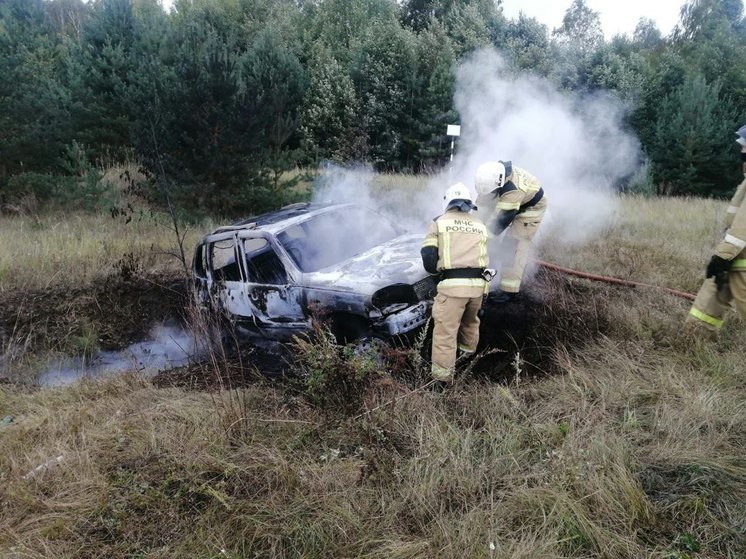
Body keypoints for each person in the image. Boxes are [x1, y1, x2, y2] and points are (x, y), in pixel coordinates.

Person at [421, 182, 492, 386]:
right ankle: (465, 361)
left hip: (453, 289)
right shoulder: (480, 225)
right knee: (470, 324)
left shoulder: (439, 222)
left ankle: (441, 382)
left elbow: (428, 260)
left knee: (445, 333)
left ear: (448, 202)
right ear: (469, 204)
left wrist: (439, 271)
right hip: (478, 287)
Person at [686, 125, 746, 335]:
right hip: (734, 259)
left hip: (740, 260)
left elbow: (743, 226)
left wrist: (722, 257)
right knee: (707, 303)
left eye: (744, 146)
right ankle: (695, 339)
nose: (742, 151)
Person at [474, 160, 547, 303]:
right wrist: (472, 229)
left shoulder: (513, 190)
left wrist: (481, 242)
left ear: (500, 184)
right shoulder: (489, 178)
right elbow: (479, 210)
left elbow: (500, 221)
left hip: (530, 208)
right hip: (510, 199)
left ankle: (509, 290)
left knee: (513, 245)